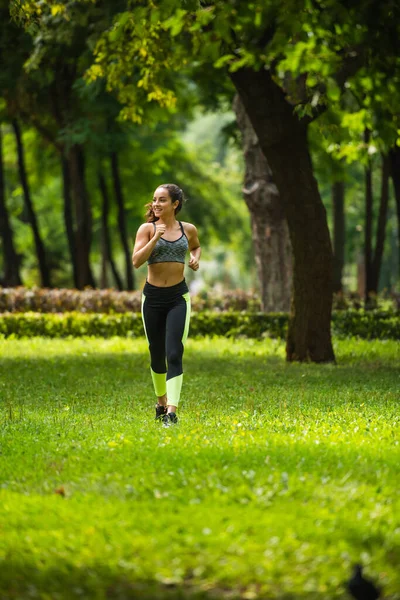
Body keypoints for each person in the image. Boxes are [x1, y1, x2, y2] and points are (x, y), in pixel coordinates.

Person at [132, 184, 201, 426]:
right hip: (152, 298)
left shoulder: (188, 229)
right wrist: (156, 237)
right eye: (154, 200)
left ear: (175, 204)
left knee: (174, 352)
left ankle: (171, 411)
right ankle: (161, 403)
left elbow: (195, 246)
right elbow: (136, 261)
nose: (157, 204)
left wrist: (195, 258)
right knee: (156, 353)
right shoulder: (147, 229)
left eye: (162, 200)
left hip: (178, 298)